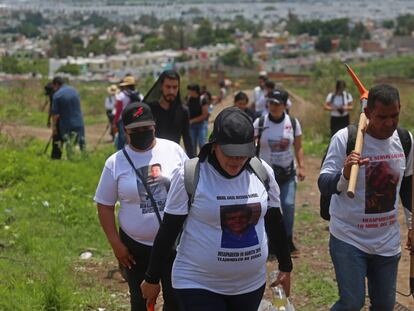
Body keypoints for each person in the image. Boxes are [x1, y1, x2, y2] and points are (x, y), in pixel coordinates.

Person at [141, 107, 293, 311]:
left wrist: (286, 266)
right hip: (198, 283)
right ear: (214, 145)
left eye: (242, 154)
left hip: (250, 284)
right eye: (230, 153)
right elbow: (169, 230)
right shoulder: (191, 175)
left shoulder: (262, 172)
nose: (236, 160)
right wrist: (152, 278)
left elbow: (274, 221)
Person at [318, 84, 413, 311]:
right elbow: (323, 183)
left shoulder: (405, 140)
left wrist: (412, 225)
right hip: (349, 238)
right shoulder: (346, 139)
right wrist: (345, 174)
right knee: (352, 303)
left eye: (394, 115)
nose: (389, 123)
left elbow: (408, 186)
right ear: (368, 113)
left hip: (387, 242)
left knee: (383, 305)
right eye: (382, 117)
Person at [94, 102, 186, 311]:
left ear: (154, 126)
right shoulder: (115, 163)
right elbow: (104, 205)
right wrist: (116, 245)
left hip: (174, 245)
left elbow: (191, 188)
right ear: (125, 131)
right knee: (141, 301)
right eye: (136, 130)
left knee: (177, 300)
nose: (142, 133)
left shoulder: (173, 151)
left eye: (147, 128)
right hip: (135, 249)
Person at [254, 89, 306, 257]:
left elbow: (298, 146)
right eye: (271, 103)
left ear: (284, 105)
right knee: (268, 209)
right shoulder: (259, 122)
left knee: (289, 205)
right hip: (266, 176)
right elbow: (250, 145)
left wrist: (302, 166)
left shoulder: (293, 122)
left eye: (277, 104)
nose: (273, 106)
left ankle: (287, 240)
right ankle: (270, 243)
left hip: (287, 173)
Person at [144, 70, 194, 158]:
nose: (171, 91)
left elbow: (187, 140)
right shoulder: (149, 110)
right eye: (168, 87)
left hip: (173, 159)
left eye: (175, 87)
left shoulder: (183, 111)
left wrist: (193, 162)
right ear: (161, 87)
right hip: (152, 159)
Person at [50, 77, 85, 159]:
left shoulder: (57, 95)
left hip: (66, 123)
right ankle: (85, 158)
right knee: (82, 142)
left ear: (56, 84)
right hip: (79, 121)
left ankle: (71, 159)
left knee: (69, 143)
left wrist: (54, 128)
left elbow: (55, 114)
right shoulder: (74, 91)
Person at [113, 75, 143, 150]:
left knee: (122, 139)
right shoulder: (139, 95)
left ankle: (120, 154)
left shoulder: (121, 96)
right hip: (136, 119)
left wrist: (115, 121)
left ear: (125, 86)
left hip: (123, 120)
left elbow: (118, 110)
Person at [186, 83, 209, 155]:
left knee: (202, 144)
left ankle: (204, 160)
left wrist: (192, 120)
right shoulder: (189, 98)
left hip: (201, 125)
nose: (189, 92)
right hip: (191, 126)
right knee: (192, 145)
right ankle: (194, 161)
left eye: (190, 90)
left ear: (194, 91)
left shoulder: (202, 99)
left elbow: (205, 115)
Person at [44, 81, 61, 159]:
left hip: (59, 117)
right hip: (60, 116)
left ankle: (55, 156)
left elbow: (52, 109)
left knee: (56, 136)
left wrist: (51, 122)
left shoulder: (54, 95)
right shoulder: (57, 93)